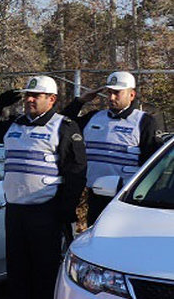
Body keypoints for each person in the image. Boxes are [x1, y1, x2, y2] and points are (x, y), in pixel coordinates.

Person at [0, 74, 86, 299]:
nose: (28, 100)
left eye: (35, 96)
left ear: (51, 99)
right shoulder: (15, 124)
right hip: (16, 209)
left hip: (45, 209)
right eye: (27, 95)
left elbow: (76, 170)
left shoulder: (64, 126)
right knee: (17, 267)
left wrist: (65, 207)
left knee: (43, 268)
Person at [61, 71, 163, 225]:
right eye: (109, 93)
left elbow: (153, 164)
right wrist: (80, 101)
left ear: (131, 95)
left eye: (117, 93)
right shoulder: (94, 117)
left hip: (126, 199)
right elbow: (61, 125)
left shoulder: (144, 121)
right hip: (95, 196)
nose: (111, 98)